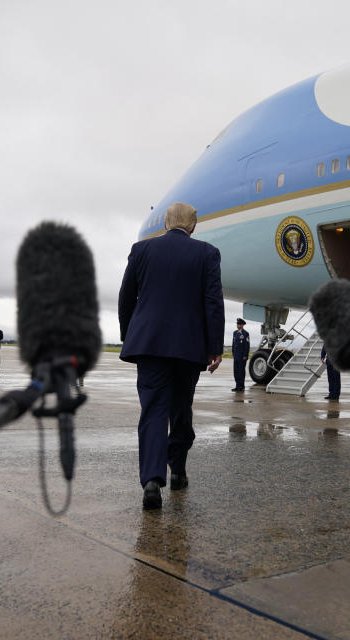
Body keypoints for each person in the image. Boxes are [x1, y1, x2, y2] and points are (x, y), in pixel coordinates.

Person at [118, 202, 225, 510]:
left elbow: (127, 297)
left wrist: (131, 335)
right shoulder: (207, 253)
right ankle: (177, 470)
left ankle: (152, 481)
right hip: (189, 347)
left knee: (153, 411)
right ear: (193, 227)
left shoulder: (141, 251)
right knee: (181, 409)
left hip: (149, 344)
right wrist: (214, 348)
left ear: (165, 223)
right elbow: (213, 303)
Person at [231, 318, 250, 391]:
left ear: (242, 325)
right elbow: (234, 344)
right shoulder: (235, 333)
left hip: (242, 356)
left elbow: (247, 345)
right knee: (236, 372)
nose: (238, 325)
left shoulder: (245, 333)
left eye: (239, 324)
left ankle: (241, 386)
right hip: (236, 355)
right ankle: (237, 385)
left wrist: (245, 355)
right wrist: (233, 353)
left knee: (241, 371)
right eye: (237, 324)